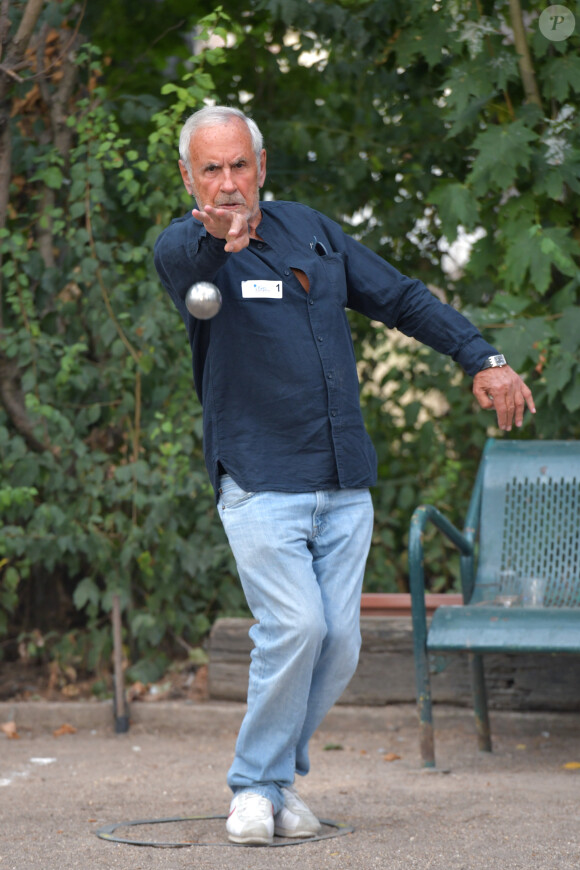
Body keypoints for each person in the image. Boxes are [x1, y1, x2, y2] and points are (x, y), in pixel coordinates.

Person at [154, 105, 535, 845]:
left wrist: (480, 357)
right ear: (189, 177)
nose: (228, 183)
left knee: (340, 643)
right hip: (261, 479)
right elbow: (188, 263)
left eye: (239, 166)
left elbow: (400, 298)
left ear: (261, 166)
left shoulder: (313, 229)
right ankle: (252, 787)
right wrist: (216, 240)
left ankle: (274, 781)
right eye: (211, 170)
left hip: (342, 478)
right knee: (295, 626)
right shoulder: (186, 247)